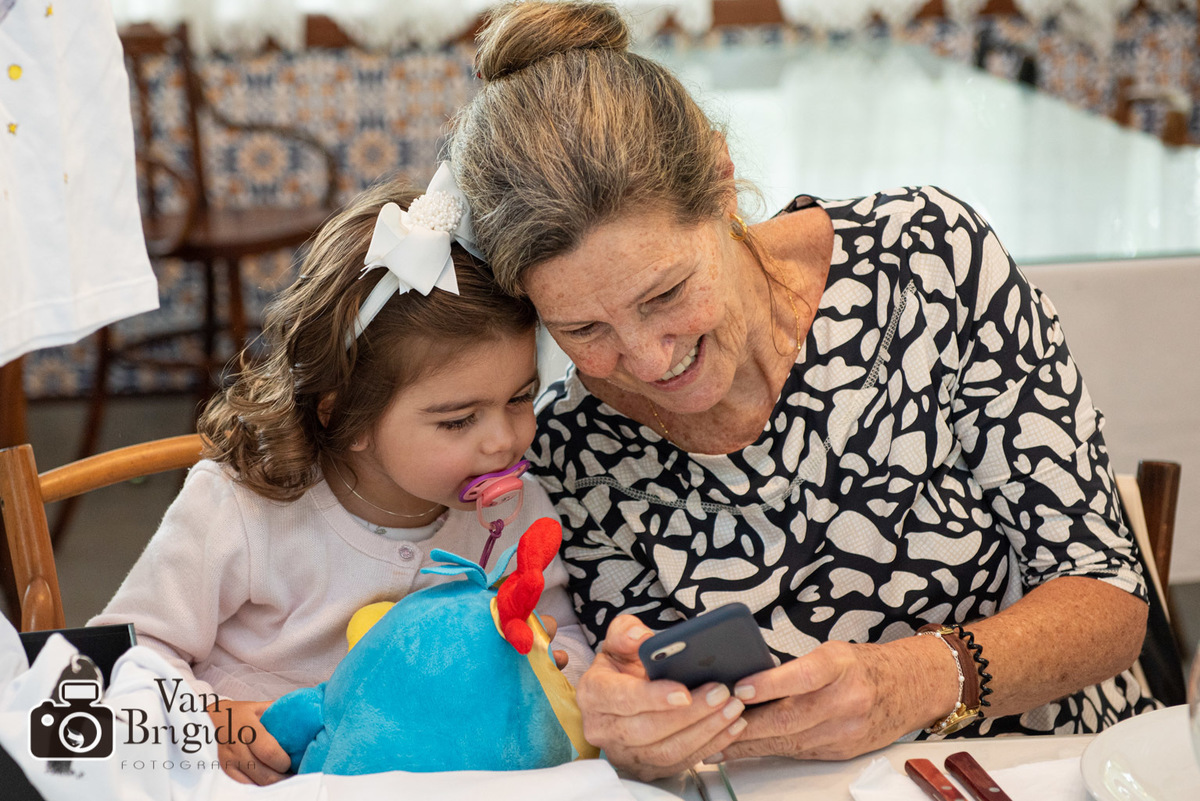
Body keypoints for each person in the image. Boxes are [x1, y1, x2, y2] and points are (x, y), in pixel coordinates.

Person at [446, 0, 1155, 782]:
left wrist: (910, 681)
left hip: (1052, 769)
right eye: (584, 331)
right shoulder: (567, 446)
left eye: (666, 294)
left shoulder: (929, 264)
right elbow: (626, 687)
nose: (646, 359)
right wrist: (620, 724)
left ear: (721, 183)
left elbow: (1109, 596)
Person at [88, 170, 593, 785]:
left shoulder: (520, 512)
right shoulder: (241, 509)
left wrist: (552, 666)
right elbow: (123, 655)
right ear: (346, 415)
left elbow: (562, 632)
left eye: (521, 398)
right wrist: (210, 722)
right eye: (459, 420)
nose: (506, 439)